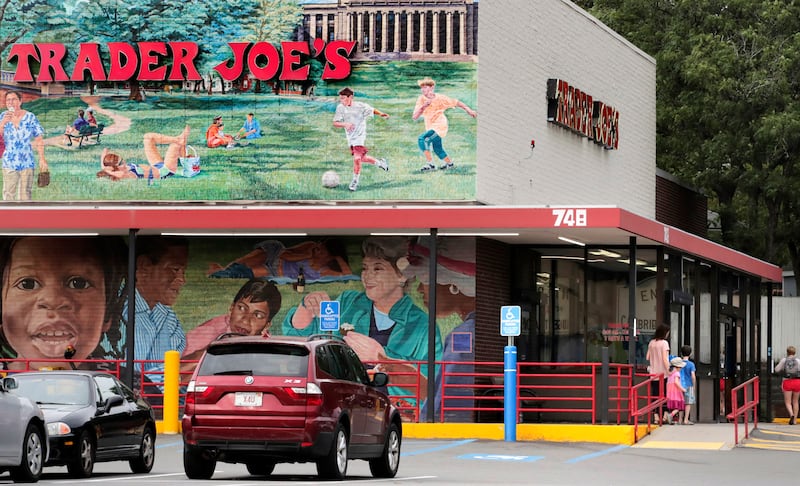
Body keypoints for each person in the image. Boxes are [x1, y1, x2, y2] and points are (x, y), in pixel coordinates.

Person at [282, 236, 442, 407]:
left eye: (378, 269)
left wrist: (382, 358)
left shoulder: (423, 326)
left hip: (393, 410)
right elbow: (302, 336)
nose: (367, 276)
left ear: (401, 276)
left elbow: (432, 388)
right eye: (365, 268)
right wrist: (306, 307)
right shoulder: (347, 302)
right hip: (346, 404)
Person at [0, 236, 127, 371]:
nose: (52, 300)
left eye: (79, 283)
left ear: (107, 314)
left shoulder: (124, 384)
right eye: (28, 284)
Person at [403, 236, 476, 422]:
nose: (419, 289)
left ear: (454, 284)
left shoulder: (463, 335)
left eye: (424, 279)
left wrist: (430, 419)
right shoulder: (475, 329)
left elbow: (452, 390)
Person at [110, 236, 189, 379]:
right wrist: (192, 363)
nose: (182, 280)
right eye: (175, 269)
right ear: (144, 266)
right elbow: (131, 381)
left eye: (183, 271)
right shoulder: (114, 315)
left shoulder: (170, 319)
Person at [182, 278, 281, 370]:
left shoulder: (268, 347)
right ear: (231, 308)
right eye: (242, 308)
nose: (245, 320)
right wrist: (206, 354)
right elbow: (173, 372)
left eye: (258, 315)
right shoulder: (208, 332)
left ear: (267, 325)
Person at [413, 77, 477, 172]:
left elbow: (456, 102)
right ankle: (449, 163)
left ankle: (430, 164)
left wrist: (469, 110)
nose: (423, 90)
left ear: (432, 87)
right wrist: (424, 106)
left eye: (425, 87)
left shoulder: (440, 98)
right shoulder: (421, 99)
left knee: (422, 139)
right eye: (421, 88)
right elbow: (414, 117)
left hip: (440, 126)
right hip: (430, 126)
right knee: (437, 148)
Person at [206, 239, 352, 280]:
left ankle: (219, 272)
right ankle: (222, 268)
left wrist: (338, 257)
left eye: (323, 248)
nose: (318, 247)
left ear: (329, 255)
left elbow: (347, 275)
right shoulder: (310, 246)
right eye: (320, 244)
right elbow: (285, 254)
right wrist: (308, 255)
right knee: (246, 260)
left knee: (244, 272)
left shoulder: (324, 271)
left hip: (275, 271)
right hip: (275, 255)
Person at [332, 87, 390, 192]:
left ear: (351, 97)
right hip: (350, 138)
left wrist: (381, 114)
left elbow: (372, 110)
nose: (342, 101)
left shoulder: (360, 106)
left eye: (344, 98)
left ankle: (355, 181)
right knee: (362, 158)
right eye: (341, 98)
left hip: (360, 136)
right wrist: (345, 124)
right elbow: (335, 123)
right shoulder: (340, 108)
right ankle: (381, 163)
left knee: (357, 159)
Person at [0, 90, 47, 201]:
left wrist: (42, 158)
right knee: (8, 194)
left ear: (20, 101)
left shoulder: (30, 117)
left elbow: (39, 139)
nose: (11, 102)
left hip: (27, 161)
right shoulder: (2, 116)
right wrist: (2, 124)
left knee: (25, 195)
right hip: (9, 161)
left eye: (14, 99)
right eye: (8, 100)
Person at [97, 125, 191, 181]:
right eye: (121, 163)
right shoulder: (123, 174)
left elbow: (103, 165)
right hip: (166, 171)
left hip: (157, 165)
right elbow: (108, 171)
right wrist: (107, 169)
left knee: (148, 137)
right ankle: (182, 149)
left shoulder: (116, 168)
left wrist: (104, 157)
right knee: (175, 145)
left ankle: (179, 140)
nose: (124, 162)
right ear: (114, 167)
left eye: (122, 159)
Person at [645, 323, 670, 423]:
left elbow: (647, 357)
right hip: (663, 374)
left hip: (653, 373)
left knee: (655, 394)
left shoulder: (651, 343)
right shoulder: (664, 343)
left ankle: (655, 417)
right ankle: (664, 416)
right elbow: (665, 359)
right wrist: (669, 369)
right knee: (664, 395)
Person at [775, 345, 800, 424]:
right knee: (795, 401)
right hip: (797, 382)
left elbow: (776, 369)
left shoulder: (784, 360)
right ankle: (795, 420)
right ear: (794, 352)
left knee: (788, 402)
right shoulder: (798, 361)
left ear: (787, 352)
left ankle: (791, 415)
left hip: (787, 381)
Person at [665, 356, 687, 425]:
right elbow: (676, 382)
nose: (681, 368)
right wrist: (682, 389)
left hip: (670, 392)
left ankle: (671, 417)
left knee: (674, 406)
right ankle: (671, 415)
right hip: (676, 392)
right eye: (680, 367)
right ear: (677, 367)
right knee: (679, 406)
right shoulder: (677, 373)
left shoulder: (670, 373)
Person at [680, 345, 697, 425]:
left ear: (681, 354)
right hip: (688, 385)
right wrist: (694, 385)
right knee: (688, 403)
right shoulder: (691, 364)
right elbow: (693, 376)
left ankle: (680, 419)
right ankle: (686, 419)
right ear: (690, 354)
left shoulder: (679, 363)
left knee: (681, 402)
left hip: (679, 385)